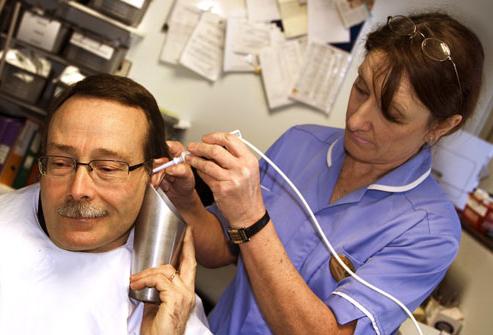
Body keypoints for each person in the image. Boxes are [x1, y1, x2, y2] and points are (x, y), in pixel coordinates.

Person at [161, 12, 484, 334]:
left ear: (441, 126)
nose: (356, 120)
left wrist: (251, 218)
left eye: (391, 115)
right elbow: (224, 249)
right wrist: (187, 201)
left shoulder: (429, 231)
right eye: (360, 88)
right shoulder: (300, 143)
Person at [0, 74, 210, 335]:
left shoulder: (165, 308)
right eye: (61, 163)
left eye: (108, 168)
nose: (78, 190)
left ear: (154, 173)